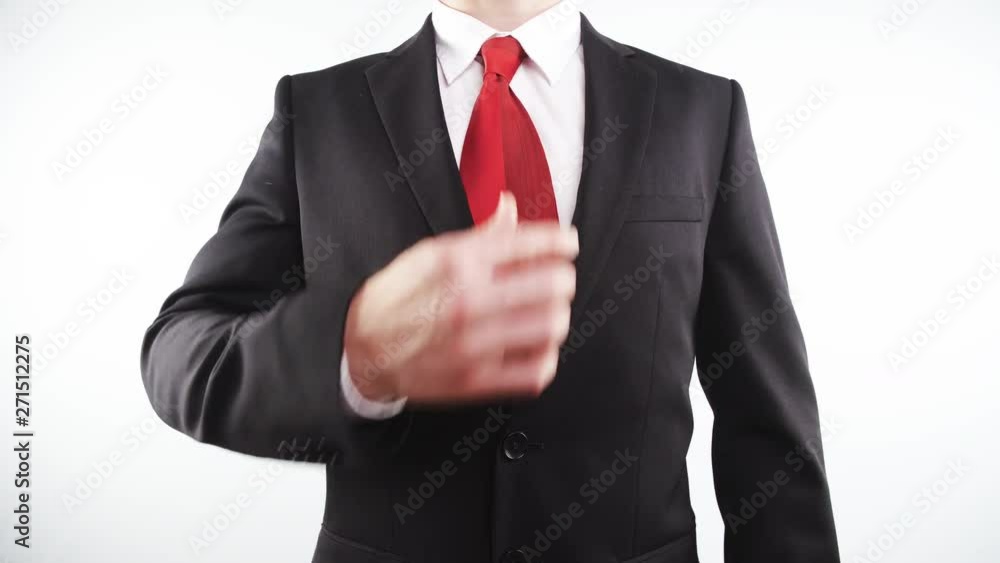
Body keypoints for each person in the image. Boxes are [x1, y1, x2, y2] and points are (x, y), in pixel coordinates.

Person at [140, 1, 840, 561]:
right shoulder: (318, 110)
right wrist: (355, 353)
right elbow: (182, 349)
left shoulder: (702, 110)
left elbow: (766, 418)